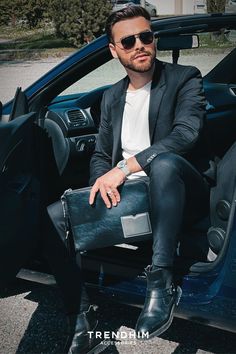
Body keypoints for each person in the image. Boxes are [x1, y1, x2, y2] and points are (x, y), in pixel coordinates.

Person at [47, 5, 212, 353]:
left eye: (146, 36)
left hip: (180, 192)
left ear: (154, 40)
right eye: (128, 40)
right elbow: (100, 155)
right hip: (134, 198)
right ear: (114, 50)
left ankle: (162, 282)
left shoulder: (185, 77)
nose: (140, 45)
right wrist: (100, 188)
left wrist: (123, 170)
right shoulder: (111, 97)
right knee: (52, 217)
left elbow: (185, 135)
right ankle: (80, 313)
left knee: (165, 163)